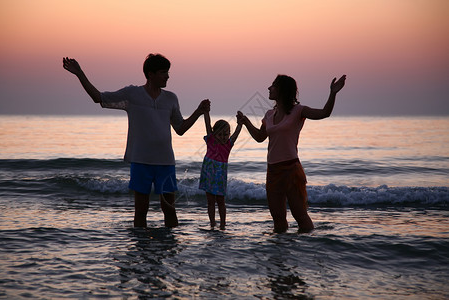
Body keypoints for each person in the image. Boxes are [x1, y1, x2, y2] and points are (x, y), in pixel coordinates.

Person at [62, 54, 210, 228]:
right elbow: (98, 97)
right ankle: (141, 248)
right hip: (141, 161)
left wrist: (199, 111)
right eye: (163, 72)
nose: (168, 76)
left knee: (169, 209)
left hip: (165, 162)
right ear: (150, 74)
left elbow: (180, 128)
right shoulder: (132, 94)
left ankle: (171, 249)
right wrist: (80, 73)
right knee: (141, 210)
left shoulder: (171, 98)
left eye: (168, 72)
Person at [237, 74, 346, 233]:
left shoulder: (298, 111)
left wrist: (333, 93)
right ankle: (281, 254)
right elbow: (260, 138)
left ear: (282, 90)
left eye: (273, 85)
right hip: (273, 172)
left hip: (291, 170)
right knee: (278, 222)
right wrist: (246, 122)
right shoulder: (268, 114)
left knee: (300, 216)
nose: (269, 88)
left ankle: (304, 252)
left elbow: (324, 113)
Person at [199, 110, 242, 229]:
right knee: (210, 201)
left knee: (221, 201)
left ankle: (223, 224)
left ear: (229, 134)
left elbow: (237, 133)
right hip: (208, 172)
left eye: (226, 134)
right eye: (220, 134)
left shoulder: (228, 144)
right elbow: (207, 124)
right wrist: (206, 112)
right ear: (214, 133)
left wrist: (240, 123)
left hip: (220, 175)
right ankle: (212, 223)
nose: (223, 137)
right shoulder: (211, 140)